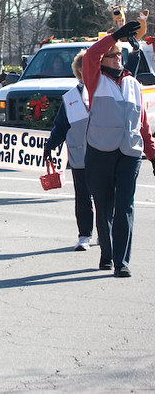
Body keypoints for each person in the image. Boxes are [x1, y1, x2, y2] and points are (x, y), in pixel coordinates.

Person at [81, 21, 155, 278]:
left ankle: (122, 261)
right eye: (111, 54)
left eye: (118, 53)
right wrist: (115, 35)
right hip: (100, 151)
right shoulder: (95, 79)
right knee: (104, 206)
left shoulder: (133, 83)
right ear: (103, 59)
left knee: (125, 206)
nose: (116, 58)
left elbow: (142, 121)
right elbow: (91, 55)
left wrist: (153, 154)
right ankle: (107, 254)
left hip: (130, 152)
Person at [43, 51, 93, 251]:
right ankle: (85, 235)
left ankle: (106, 233)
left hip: (104, 154)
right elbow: (61, 125)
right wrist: (50, 145)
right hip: (80, 154)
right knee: (83, 197)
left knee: (105, 198)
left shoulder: (104, 91)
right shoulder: (72, 97)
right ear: (80, 70)